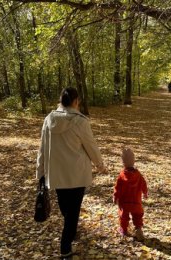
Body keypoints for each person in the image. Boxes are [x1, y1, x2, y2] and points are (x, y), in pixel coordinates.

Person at [36, 87, 106, 260]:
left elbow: (42, 148)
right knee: (72, 212)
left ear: (61, 101)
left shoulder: (49, 119)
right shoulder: (80, 121)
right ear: (75, 101)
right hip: (77, 174)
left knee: (66, 209)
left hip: (58, 175)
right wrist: (100, 165)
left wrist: (40, 171)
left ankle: (71, 229)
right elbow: (91, 145)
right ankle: (65, 248)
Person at [113, 148, 148, 241]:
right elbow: (143, 184)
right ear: (134, 161)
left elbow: (118, 188)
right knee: (137, 216)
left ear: (123, 162)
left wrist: (115, 196)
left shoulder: (121, 175)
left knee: (124, 217)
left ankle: (124, 230)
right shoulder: (138, 175)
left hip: (124, 203)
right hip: (136, 202)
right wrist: (145, 192)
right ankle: (138, 228)